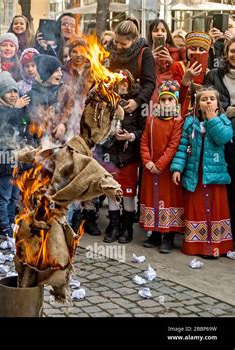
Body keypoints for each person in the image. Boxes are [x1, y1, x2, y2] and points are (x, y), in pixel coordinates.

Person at [102, 18, 156, 244]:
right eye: (116, 42)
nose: (118, 47)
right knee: (110, 173)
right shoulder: (110, 51)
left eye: (123, 44)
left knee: (128, 173)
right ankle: (113, 226)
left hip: (135, 112)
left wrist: (137, 101)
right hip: (113, 107)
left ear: (132, 41)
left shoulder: (145, 53)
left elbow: (149, 82)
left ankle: (127, 226)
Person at [170, 86, 233, 258]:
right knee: (197, 209)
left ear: (218, 104)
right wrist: (177, 168)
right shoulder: (190, 123)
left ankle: (215, 246)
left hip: (214, 175)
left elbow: (223, 138)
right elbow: (183, 147)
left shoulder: (223, 120)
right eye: (204, 99)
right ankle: (197, 246)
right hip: (195, 175)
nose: (208, 102)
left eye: (212, 99)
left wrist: (212, 119)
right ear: (197, 105)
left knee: (214, 210)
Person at [139, 81, 184, 253]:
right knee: (153, 199)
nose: (166, 103)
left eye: (169, 100)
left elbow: (174, 144)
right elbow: (144, 141)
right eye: (163, 100)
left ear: (175, 102)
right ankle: (155, 233)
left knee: (168, 200)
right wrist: (148, 161)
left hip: (166, 169)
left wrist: (160, 164)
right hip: (151, 168)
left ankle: (169, 236)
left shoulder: (177, 121)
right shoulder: (151, 119)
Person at [0, 72, 29, 239]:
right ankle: (2, 225)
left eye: (15, 91)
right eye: (8, 91)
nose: (13, 95)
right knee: (4, 195)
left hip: (17, 158)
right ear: (0, 93)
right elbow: (1, 121)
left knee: (14, 195)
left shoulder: (18, 108)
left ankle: (11, 222)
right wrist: (16, 108)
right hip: (4, 159)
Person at [204, 37, 235, 234]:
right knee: (226, 185)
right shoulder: (214, 75)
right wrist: (227, 110)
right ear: (226, 53)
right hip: (221, 137)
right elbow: (207, 100)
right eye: (232, 51)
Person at [147, 19, 185, 103]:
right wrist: (149, 60)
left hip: (171, 93)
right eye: (156, 30)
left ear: (167, 34)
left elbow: (184, 73)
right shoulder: (145, 52)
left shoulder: (177, 51)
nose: (159, 33)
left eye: (163, 30)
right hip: (152, 92)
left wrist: (172, 61)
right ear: (150, 34)